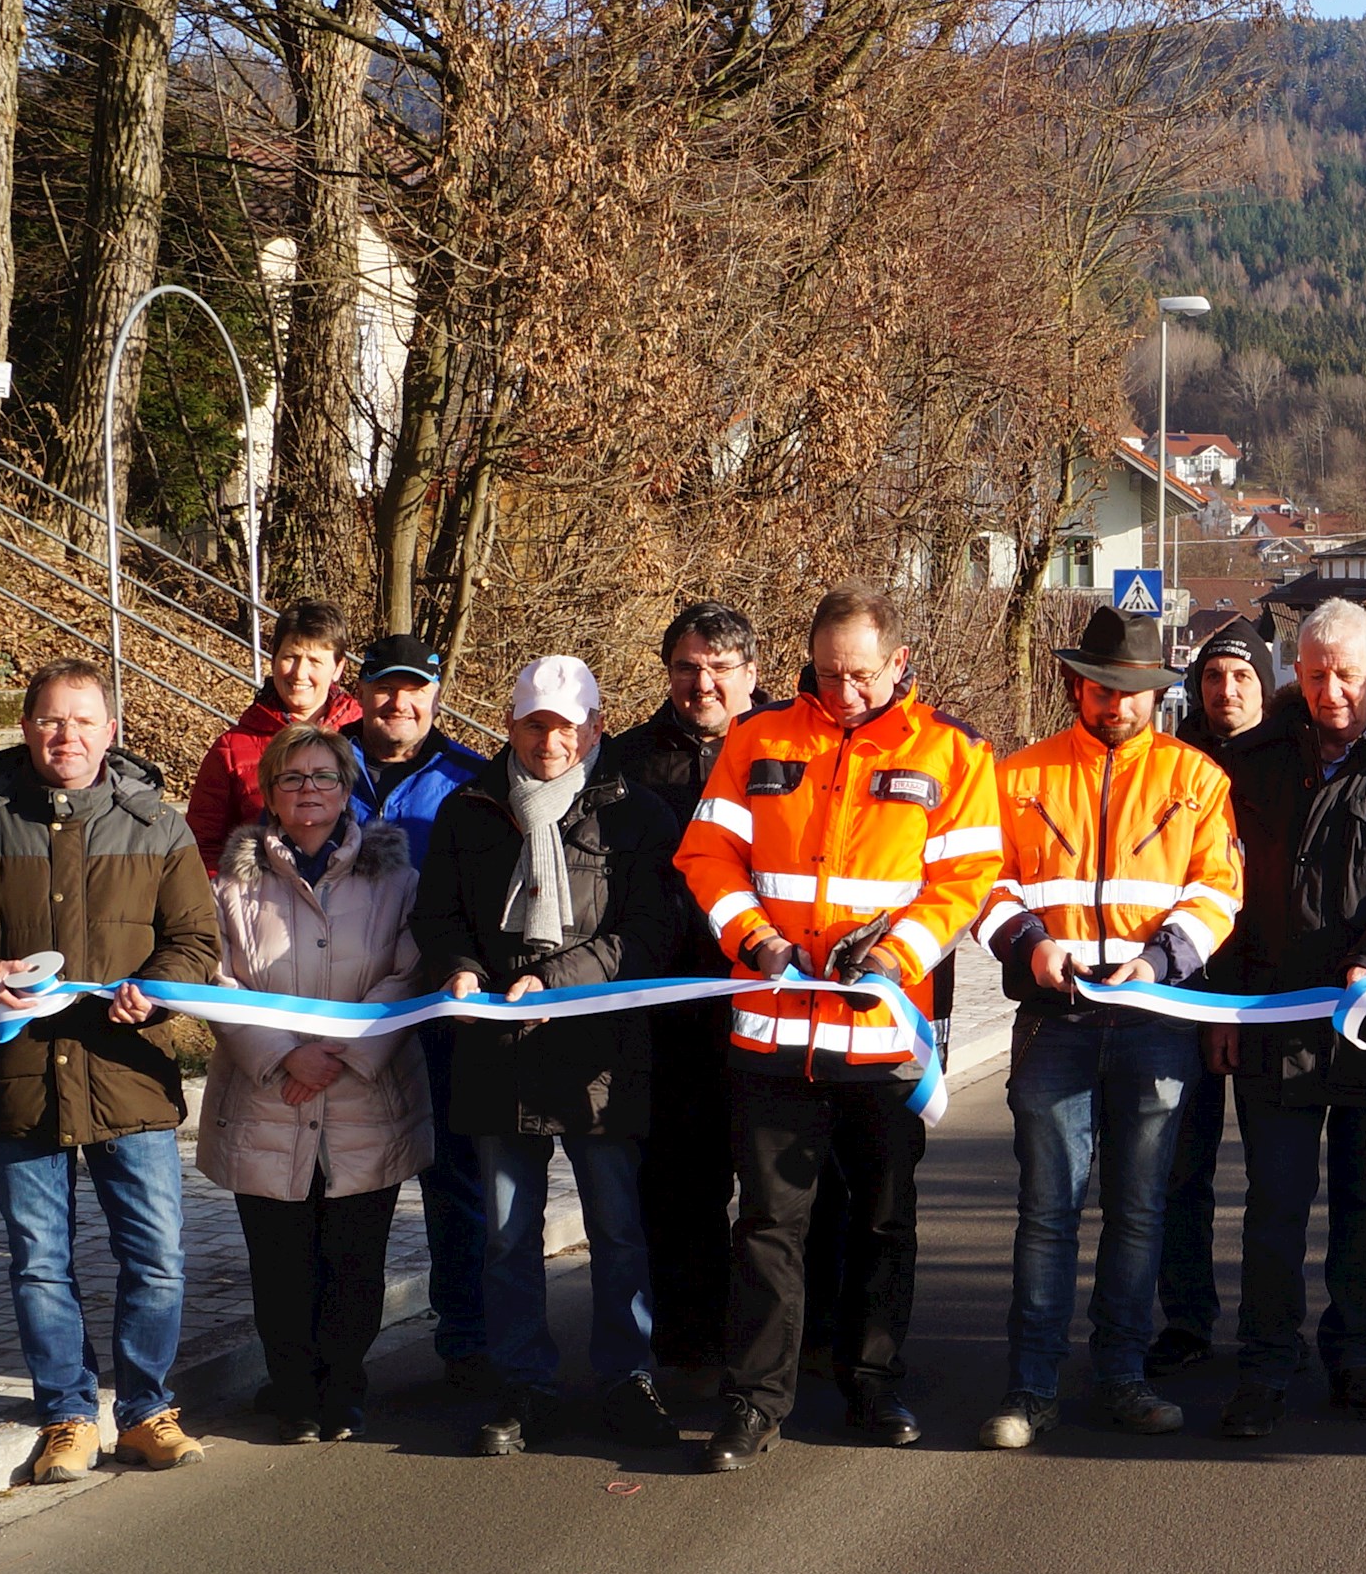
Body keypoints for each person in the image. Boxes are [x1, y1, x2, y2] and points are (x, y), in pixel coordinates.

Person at [678, 589, 1009, 1470]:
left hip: (883, 1035)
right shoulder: (759, 739)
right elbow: (706, 853)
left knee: (883, 1220)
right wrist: (755, 935)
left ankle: (872, 1379)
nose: (845, 690)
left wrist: (894, 955)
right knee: (768, 1227)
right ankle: (756, 1402)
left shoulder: (953, 750)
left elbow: (968, 875)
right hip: (775, 1031)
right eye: (828, 673)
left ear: (899, 664)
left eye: (861, 674)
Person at [0, 660, 221, 1483]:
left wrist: (159, 993)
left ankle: (146, 1410)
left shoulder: (158, 826)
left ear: (112, 731)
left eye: (82, 719)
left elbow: (196, 941)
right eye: (49, 719)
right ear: (27, 727)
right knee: (41, 1257)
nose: (65, 735)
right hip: (18, 1079)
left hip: (129, 1076)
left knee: (156, 1254)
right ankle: (69, 1413)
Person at [976, 605, 1245, 1448]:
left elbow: (1218, 891)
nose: (1117, 703)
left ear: (1158, 693)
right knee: (1047, 1210)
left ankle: (1123, 1375)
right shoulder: (1019, 775)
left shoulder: (1197, 778)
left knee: (1139, 1211)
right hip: (1054, 1019)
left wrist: (1161, 962)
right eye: (1101, 687)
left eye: (1133, 690)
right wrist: (1027, 941)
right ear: (1073, 684)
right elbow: (985, 883)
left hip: (1153, 1019)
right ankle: (1031, 1388)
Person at [412, 657, 676, 1457]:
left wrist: (552, 980)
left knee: (618, 1226)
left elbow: (646, 934)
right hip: (497, 1049)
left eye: (567, 724)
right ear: (512, 723)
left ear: (596, 725)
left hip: (598, 1051)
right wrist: (458, 965)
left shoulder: (637, 815)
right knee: (506, 1230)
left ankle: (627, 1376)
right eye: (536, 723)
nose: (550, 739)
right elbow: (439, 914)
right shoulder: (470, 810)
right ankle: (524, 1381)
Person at [1208, 600, 1366, 1436]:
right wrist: (1221, 1010)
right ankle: (1266, 1364)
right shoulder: (1253, 762)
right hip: (1273, 1016)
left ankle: (1355, 1355)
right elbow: (1224, 896)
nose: (1330, 690)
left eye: (1346, 673)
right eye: (1314, 674)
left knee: (1363, 1202)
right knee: (1274, 1203)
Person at [196, 723, 431, 1444]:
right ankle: (295, 1390)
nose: (309, 792)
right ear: (268, 792)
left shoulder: (396, 878)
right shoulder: (231, 885)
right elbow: (216, 977)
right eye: (292, 778)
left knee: (356, 1262)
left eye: (324, 776)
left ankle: (344, 1389)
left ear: (347, 788)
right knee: (281, 1264)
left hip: (366, 1097)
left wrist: (341, 1051)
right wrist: (284, 1055)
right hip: (267, 1097)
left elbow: (409, 969)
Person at [598, 599, 767, 1385]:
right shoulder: (625, 761)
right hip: (666, 1002)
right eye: (686, 667)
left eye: (718, 667)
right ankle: (691, 1340)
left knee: (774, 1184)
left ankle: (777, 1339)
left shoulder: (785, 748)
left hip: (769, 995)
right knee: (680, 1179)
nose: (701, 682)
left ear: (750, 674)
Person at [346, 629, 499, 1392]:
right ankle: (334, 1352)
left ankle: (466, 1338)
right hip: (343, 1012)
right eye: (384, 686)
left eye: (415, 689)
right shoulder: (317, 768)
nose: (398, 703)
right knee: (345, 1188)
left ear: (435, 695)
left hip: (443, 1011)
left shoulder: (475, 778)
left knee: (456, 1182)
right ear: (361, 688)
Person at [1157, 618, 1296, 1370]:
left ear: (1268, 686)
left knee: (1278, 1181)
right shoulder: (1174, 765)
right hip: (1187, 996)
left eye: (1243, 676)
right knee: (1182, 1174)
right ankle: (1186, 1318)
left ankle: (1273, 1327)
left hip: (1272, 1000)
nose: (1226, 689)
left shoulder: (1294, 766)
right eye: (1213, 676)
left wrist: (1241, 1004)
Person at [183, 596, 363, 859]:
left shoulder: (365, 737)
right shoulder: (230, 750)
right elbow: (201, 847)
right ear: (273, 659)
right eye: (291, 657)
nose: (300, 674)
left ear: (338, 668)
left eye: (315, 661)